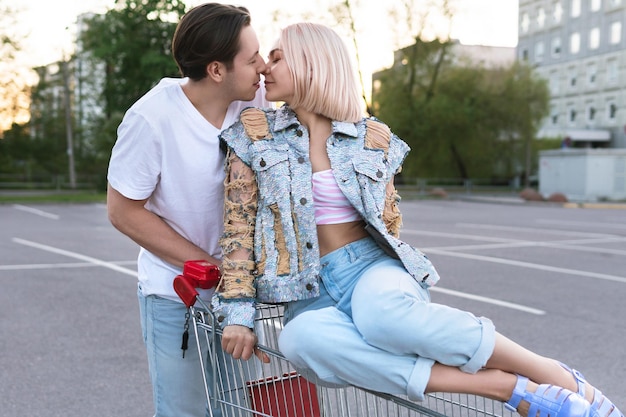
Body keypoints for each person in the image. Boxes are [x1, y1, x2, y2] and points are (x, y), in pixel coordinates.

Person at [211, 22, 623, 417]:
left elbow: (387, 224)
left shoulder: (373, 139)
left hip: (370, 268)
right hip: (306, 288)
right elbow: (237, 231)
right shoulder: (254, 135)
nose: (266, 66)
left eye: (278, 57)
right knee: (300, 341)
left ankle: (554, 375)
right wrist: (239, 315)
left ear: (312, 63)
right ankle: (504, 387)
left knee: (383, 316)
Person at [106, 3, 270, 417]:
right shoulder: (152, 117)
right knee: (186, 411)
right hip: (176, 293)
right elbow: (123, 211)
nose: (263, 67)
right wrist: (210, 266)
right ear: (217, 70)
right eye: (252, 60)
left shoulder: (257, 99)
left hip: (241, 297)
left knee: (237, 409)